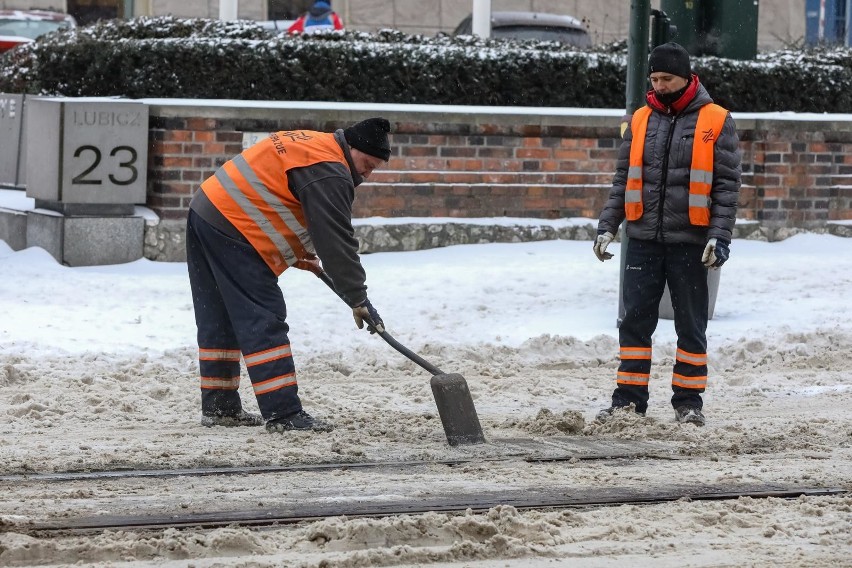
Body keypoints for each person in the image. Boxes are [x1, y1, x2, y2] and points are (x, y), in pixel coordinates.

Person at [186, 117, 392, 433]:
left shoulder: (314, 143)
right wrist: (357, 297)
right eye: (368, 164)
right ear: (351, 148)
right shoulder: (330, 170)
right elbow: (336, 242)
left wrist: (295, 253)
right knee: (263, 318)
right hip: (235, 229)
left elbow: (272, 193)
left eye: (375, 168)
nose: (367, 173)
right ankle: (283, 414)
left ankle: (220, 408)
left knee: (220, 316)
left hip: (206, 211)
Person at [593, 42, 741, 427]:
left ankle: (689, 403)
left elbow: (726, 186)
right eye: (654, 78)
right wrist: (608, 225)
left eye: (667, 78)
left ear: (687, 76)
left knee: (691, 326)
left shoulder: (716, 120)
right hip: (642, 239)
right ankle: (628, 402)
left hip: (691, 242)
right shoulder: (640, 120)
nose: (659, 86)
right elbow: (622, 180)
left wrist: (719, 236)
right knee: (634, 322)